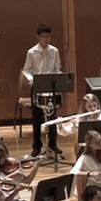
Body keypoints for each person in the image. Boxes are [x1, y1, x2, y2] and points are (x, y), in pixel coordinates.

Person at [22, 23, 64, 159]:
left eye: (48, 36)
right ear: (38, 37)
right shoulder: (32, 52)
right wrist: (31, 79)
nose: (46, 39)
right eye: (43, 36)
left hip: (51, 88)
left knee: (52, 118)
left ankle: (53, 145)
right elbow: (26, 70)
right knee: (37, 118)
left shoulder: (55, 51)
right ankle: (37, 147)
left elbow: (57, 68)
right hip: (38, 87)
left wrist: (59, 76)